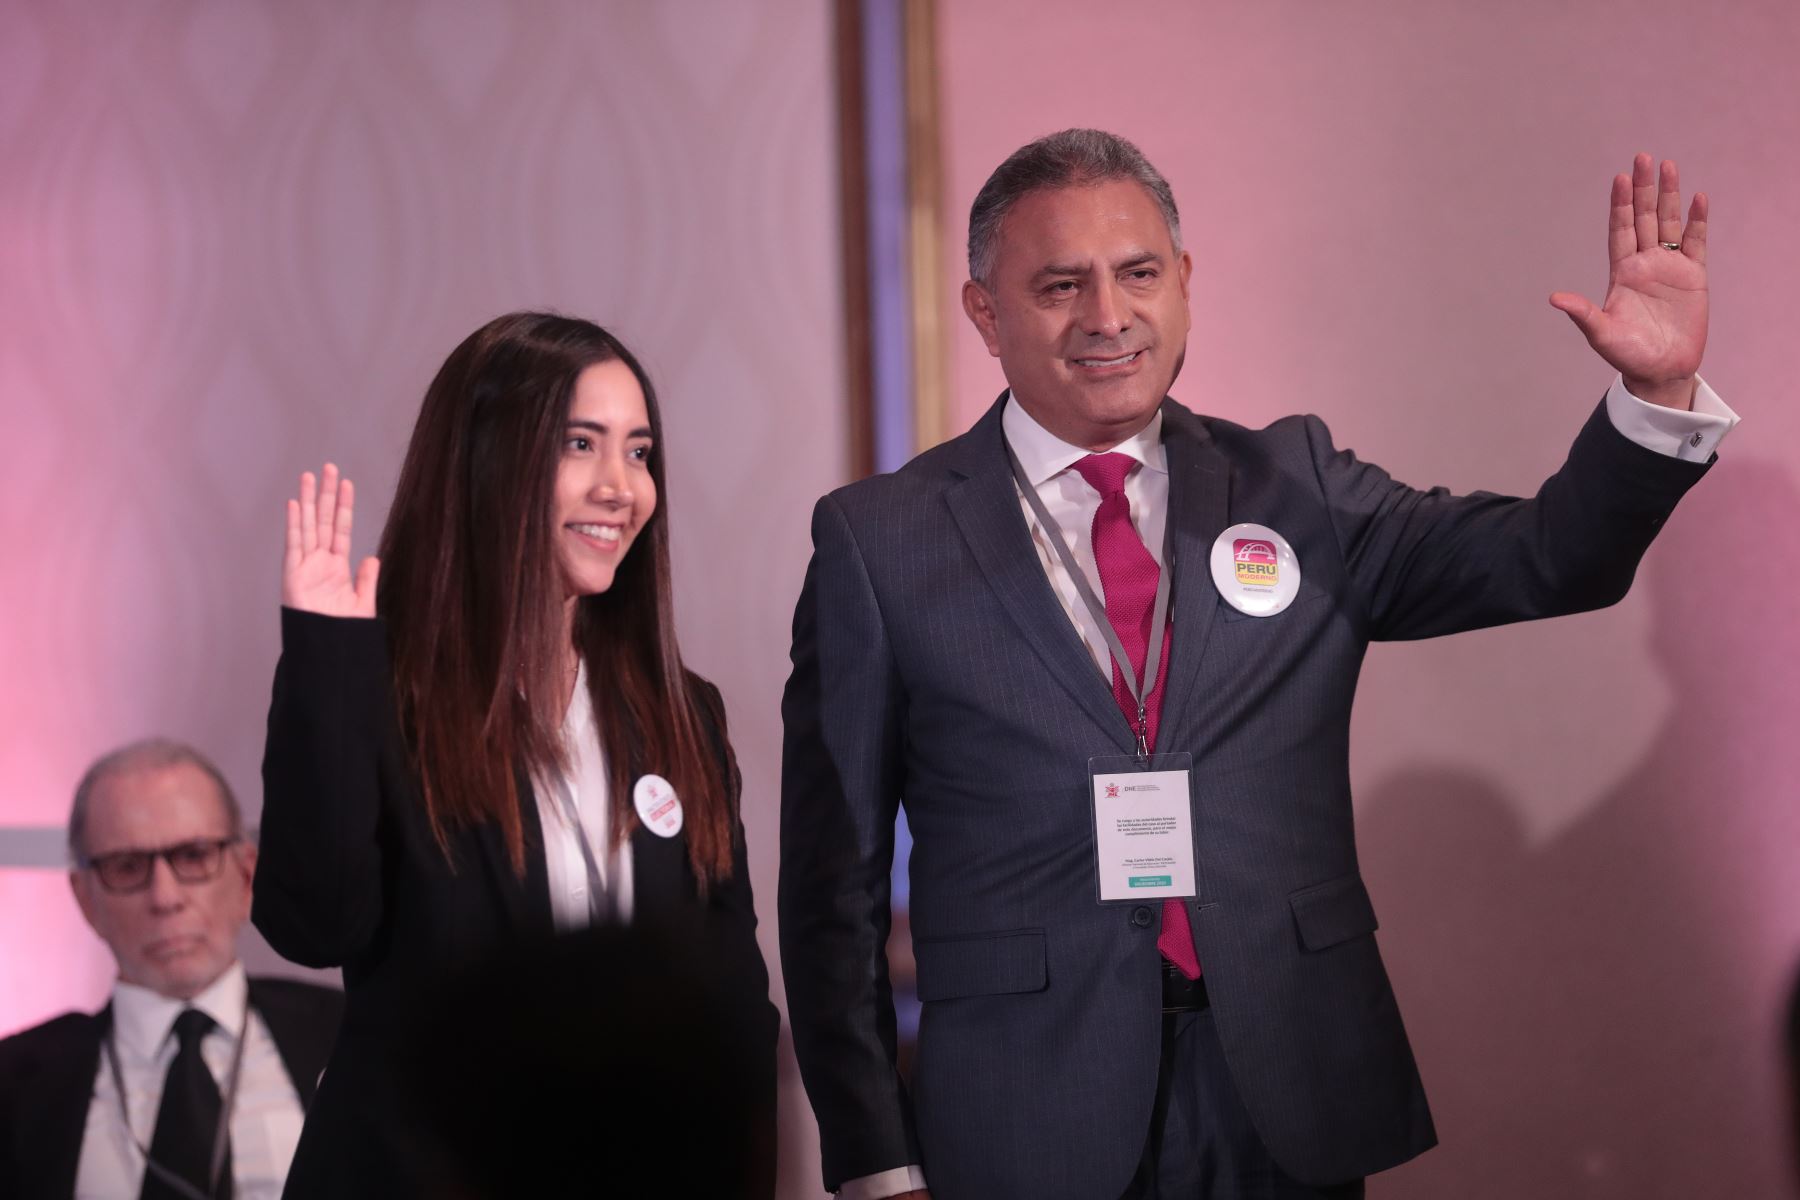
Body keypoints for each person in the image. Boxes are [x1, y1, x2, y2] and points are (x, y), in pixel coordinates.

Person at [779, 130, 1737, 1199]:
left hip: (1284, 1096)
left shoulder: (1297, 486)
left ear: (1185, 286)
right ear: (985, 313)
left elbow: (1551, 559)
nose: (1107, 315)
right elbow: (836, 894)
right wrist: (875, 1161)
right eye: (1060, 285)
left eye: (1139, 273)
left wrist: (1656, 398)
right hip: (1023, 1114)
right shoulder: (882, 542)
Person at [253, 312, 778, 1197]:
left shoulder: (683, 709)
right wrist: (323, 663)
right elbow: (313, 927)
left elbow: (730, 999)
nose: (623, 486)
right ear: (489, 459)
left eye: (640, 452)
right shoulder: (381, 686)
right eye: (583, 444)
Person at [0, 739, 343, 1200]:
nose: (164, 897)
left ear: (245, 876)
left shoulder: (349, 1035)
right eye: (127, 867)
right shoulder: (14, 1083)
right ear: (85, 898)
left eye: (194, 856)